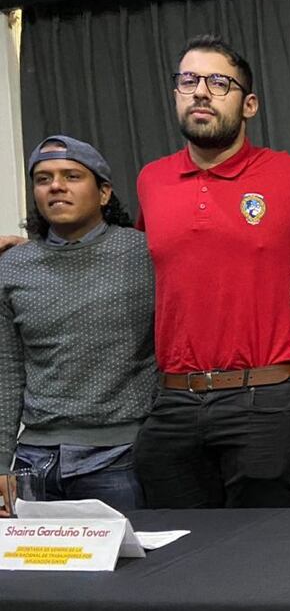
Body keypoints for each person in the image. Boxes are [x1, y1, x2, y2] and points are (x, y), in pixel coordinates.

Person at [133, 35, 290, 508]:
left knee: (261, 559)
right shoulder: (151, 179)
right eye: (188, 80)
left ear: (249, 103)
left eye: (219, 82)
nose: (200, 92)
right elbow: (119, 249)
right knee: (178, 563)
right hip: (173, 401)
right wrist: (30, 245)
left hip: (265, 398)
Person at [0, 136, 155, 514]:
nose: (56, 186)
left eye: (72, 176)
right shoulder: (12, 266)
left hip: (121, 458)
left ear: (104, 193)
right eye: (43, 178)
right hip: (33, 462)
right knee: (34, 574)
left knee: (133, 574)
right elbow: (6, 370)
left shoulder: (145, 254)